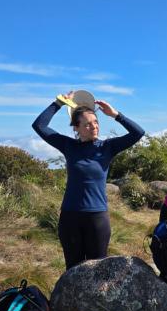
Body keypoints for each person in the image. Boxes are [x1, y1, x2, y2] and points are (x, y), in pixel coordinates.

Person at [32, 91, 145, 271]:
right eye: (87, 124)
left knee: (97, 270)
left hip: (97, 218)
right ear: (76, 128)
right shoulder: (69, 146)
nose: (94, 127)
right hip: (70, 218)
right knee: (73, 269)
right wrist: (58, 103)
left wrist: (116, 115)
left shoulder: (107, 147)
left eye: (96, 123)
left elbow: (138, 133)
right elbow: (39, 125)